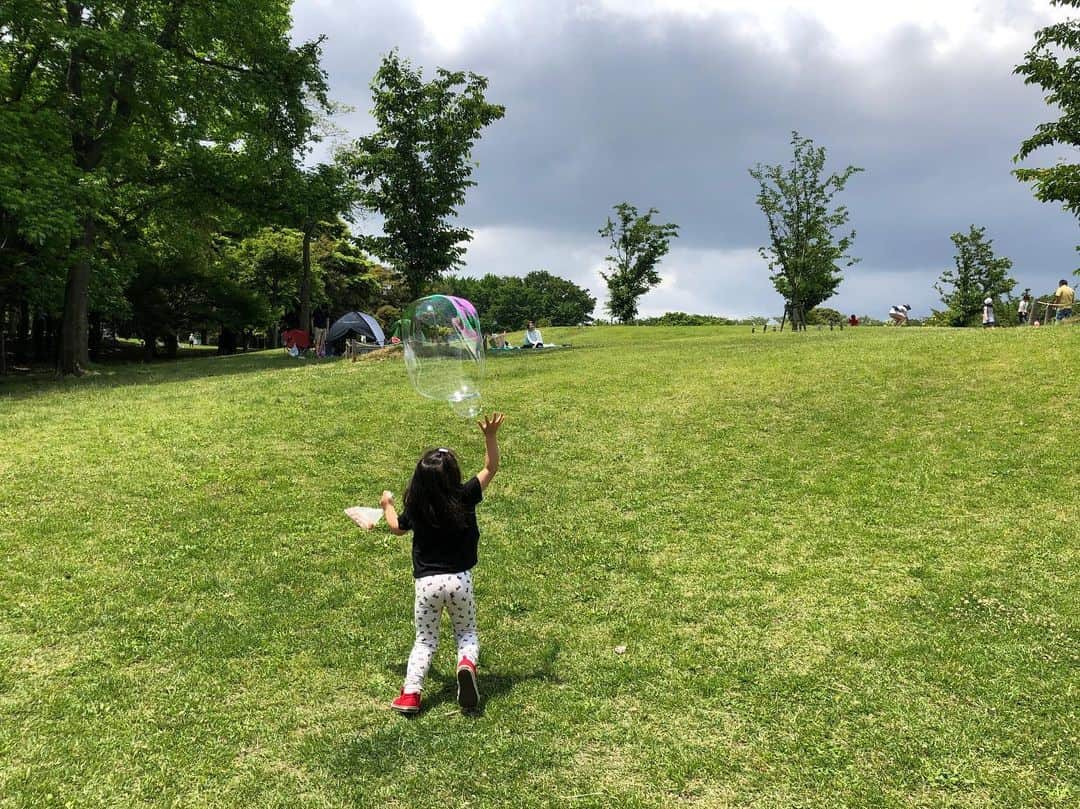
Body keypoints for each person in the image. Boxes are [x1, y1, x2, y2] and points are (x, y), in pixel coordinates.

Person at [371, 413, 504, 715]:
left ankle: (410, 694)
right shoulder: (465, 495)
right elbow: (490, 467)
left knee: (425, 641)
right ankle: (466, 664)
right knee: (466, 633)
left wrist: (387, 505)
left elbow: (396, 527)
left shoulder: (417, 506)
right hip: (460, 581)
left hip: (427, 585)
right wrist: (490, 436)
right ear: (454, 476)